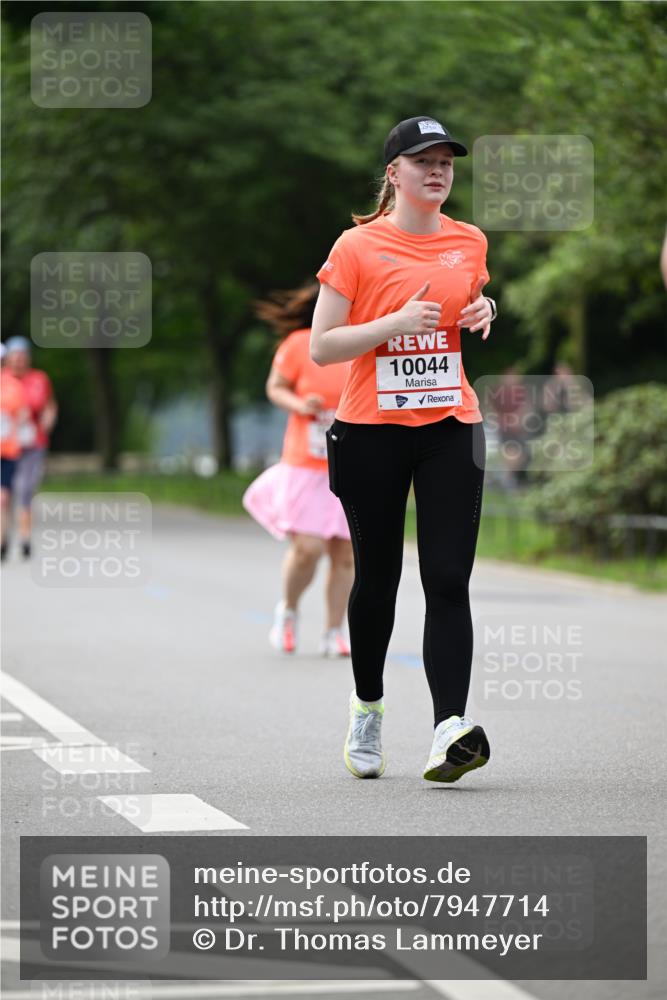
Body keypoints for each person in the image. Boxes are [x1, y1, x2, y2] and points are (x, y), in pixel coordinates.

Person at [311, 116, 497, 782]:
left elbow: (465, 303)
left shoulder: (468, 241)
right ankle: (367, 706)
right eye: (424, 161)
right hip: (370, 430)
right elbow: (322, 346)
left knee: (447, 579)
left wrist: (485, 310)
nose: (438, 170)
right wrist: (391, 323)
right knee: (379, 578)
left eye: (446, 161)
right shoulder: (356, 247)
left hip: (450, 425)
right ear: (394, 173)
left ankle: (449, 729)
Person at [242, 283, 355, 657]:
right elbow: (275, 387)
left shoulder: (363, 340)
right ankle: (288, 611)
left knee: (346, 555)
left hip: (351, 463)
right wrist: (299, 404)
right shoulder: (297, 344)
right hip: (305, 464)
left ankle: (334, 631)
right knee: (308, 548)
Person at [4, 337, 58, 559]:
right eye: (14, 355)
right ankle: (4, 537)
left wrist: (47, 422)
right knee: (5, 493)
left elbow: (49, 406)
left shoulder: (39, 379)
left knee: (25, 489)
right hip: (6, 445)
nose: (18, 360)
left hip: (33, 444)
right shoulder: (3, 380)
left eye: (22, 355)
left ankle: (25, 538)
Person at [1, 343, 29, 561]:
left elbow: (23, 413)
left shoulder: (13, 385)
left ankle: (2, 541)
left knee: (3, 498)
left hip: (7, 450)